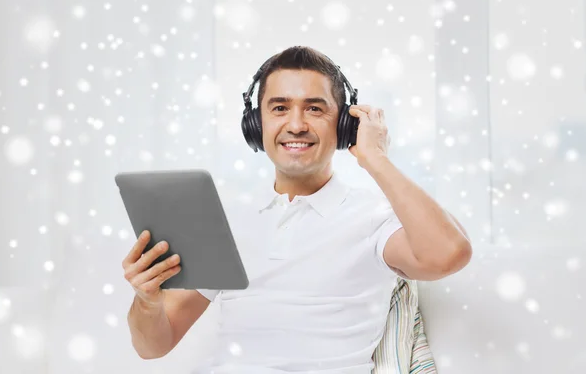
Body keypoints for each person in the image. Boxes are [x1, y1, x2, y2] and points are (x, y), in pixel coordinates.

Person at [123, 46, 472, 373]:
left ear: (344, 126)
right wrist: (147, 300)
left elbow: (449, 254)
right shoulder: (224, 222)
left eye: (315, 108)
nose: (296, 124)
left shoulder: (373, 216)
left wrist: (375, 158)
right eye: (279, 108)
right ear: (256, 124)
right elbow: (154, 345)